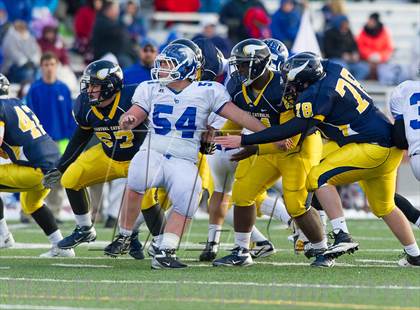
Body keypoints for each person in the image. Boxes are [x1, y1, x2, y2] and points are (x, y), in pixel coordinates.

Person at [216, 52, 420, 267]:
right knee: (384, 207)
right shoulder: (330, 66)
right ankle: (415, 254)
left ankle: (342, 235)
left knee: (318, 177)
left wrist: (247, 140)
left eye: (295, 84)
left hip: (373, 148)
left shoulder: (319, 94)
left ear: (307, 80)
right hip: (377, 143)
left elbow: (294, 128)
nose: (290, 88)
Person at [108, 43, 269, 269]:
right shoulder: (150, 88)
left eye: (167, 64)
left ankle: (166, 251)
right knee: (137, 176)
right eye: (162, 63)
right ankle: (124, 235)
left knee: (191, 194)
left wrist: (268, 133)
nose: (161, 68)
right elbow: (135, 113)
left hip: (183, 159)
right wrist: (128, 120)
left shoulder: (208, 90)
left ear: (184, 67)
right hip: (153, 152)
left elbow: (239, 116)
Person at [211, 39, 336, 268]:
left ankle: (322, 249)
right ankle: (242, 250)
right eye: (237, 65)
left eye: (243, 65)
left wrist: (251, 146)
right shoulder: (238, 88)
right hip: (266, 144)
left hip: (299, 147)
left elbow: (287, 140)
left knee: (296, 204)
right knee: (242, 192)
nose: (238, 71)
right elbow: (237, 118)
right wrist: (217, 137)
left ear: (259, 64)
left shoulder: (284, 87)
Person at [42, 60, 157, 260]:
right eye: (89, 85)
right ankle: (85, 228)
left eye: (95, 85)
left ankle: (162, 244)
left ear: (111, 86)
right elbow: (80, 137)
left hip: (138, 158)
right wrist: (61, 166)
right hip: (108, 155)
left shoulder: (133, 97)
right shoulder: (85, 105)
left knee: (146, 199)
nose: (90, 90)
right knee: (71, 178)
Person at [0, 73, 74, 257]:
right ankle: (61, 246)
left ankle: (3, 237)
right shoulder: (16, 103)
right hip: (53, 165)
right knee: (31, 203)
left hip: (37, 169)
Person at [323, 15, 369, 81]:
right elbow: (328, 50)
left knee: (364, 68)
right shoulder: (329, 33)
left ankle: (356, 85)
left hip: (350, 60)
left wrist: (355, 54)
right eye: (344, 24)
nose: (346, 26)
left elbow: (354, 46)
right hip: (335, 59)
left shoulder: (348, 32)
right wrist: (342, 55)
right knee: (343, 68)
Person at [357, 13, 393, 80]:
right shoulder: (363, 31)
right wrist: (369, 55)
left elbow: (388, 48)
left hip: (380, 60)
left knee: (382, 70)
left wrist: (380, 56)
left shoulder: (384, 32)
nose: (370, 23)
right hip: (366, 60)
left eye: (372, 21)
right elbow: (359, 46)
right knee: (365, 68)